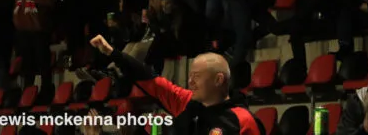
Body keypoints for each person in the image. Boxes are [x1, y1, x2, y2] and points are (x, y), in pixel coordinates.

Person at [89, 35, 265, 134]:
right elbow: (150, 79)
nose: (190, 82)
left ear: (218, 80)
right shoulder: (186, 102)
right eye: (190, 76)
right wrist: (113, 53)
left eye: (196, 76)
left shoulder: (244, 120)